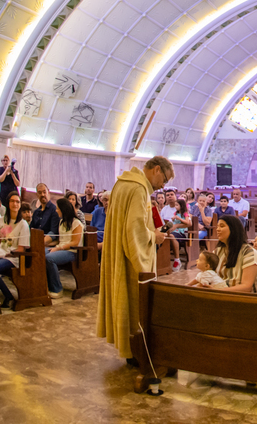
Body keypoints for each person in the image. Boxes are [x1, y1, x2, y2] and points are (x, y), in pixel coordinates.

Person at [97, 155, 173, 364]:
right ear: (156, 169)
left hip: (119, 252)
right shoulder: (138, 189)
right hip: (131, 258)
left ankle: (130, 348)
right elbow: (135, 231)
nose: (162, 186)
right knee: (136, 304)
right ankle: (138, 352)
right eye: (164, 179)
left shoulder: (123, 183)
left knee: (125, 304)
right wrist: (154, 237)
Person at [0, 192, 28, 307]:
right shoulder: (2, 220)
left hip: (12, 257)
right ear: (8, 203)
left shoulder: (23, 225)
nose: (15, 204)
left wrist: (0, 256)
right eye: (12, 201)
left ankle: (8, 296)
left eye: (17, 202)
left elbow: (20, 250)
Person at [44, 198, 84, 298]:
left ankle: (57, 289)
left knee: (49, 258)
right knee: (40, 253)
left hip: (72, 252)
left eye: (58, 209)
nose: (56, 211)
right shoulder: (61, 222)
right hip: (62, 248)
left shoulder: (76, 223)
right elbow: (61, 240)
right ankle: (46, 286)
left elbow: (75, 242)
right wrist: (47, 244)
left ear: (63, 209)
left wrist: (57, 248)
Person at [213, 214, 257, 292]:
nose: (217, 229)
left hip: (242, 298)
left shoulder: (248, 252)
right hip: (220, 293)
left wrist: (219, 291)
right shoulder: (218, 251)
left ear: (233, 229)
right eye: (217, 226)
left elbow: (247, 287)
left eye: (221, 226)